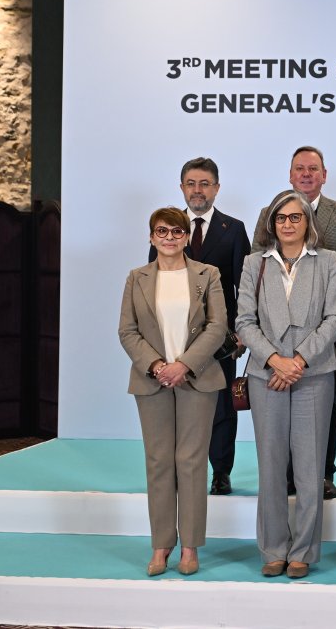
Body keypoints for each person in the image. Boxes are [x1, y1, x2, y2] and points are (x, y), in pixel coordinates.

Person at [236, 190, 336, 579]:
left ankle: (303, 551)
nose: (287, 224)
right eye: (280, 218)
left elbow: (335, 318)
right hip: (266, 375)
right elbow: (244, 322)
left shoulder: (327, 261)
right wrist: (275, 360)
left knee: (309, 467)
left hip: (312, 374)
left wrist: (298, 361)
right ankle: (273, 548)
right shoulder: (254, 264)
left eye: (295, 217)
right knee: (270, 466)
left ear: (307, 222)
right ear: (271, 223)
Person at [119, 207, 228, 577]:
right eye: (161, 231)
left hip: (197, 378)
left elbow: (218, 326)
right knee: (159, 461)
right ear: (151, 237)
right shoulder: (136, 278)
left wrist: (184, 365)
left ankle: (191, 547)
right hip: (152, 380)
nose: (169, 237)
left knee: (192, 462)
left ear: (186, 236)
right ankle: (161, 544)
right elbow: (127, 331)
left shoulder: (206, 274)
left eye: (176, 231)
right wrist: (156, 366)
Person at [254, 146, 336, 500]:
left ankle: (322, 474)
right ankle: (286, 475)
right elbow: (258, 260)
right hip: (273, 331)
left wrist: (316, 301)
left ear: (324, 174)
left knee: (325, 403)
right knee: (276, 404)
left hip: (329, 327)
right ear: (290, 174)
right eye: (299, 168)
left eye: (313, 169)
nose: (306, 174)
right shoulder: (269, 214)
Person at [148, 157, 250, 496]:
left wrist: (240, 334)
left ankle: (221, 472)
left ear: (217, 189)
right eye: (191, 183)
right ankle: (178, 470)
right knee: (175, 404)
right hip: (173, 336)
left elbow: (244, 285)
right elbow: (152, 284)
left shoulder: (233, 229)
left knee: (221, 407)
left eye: (204, 183)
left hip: (220, 338)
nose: (197, 190)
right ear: (181, 188)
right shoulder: (168, 229)